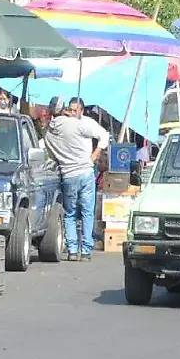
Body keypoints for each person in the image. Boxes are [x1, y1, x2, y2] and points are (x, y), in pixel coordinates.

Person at [43, 97, 108, 261]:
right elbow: (103, 136)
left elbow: (52, 156)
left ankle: (73, 250)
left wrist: (94, 155)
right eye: (69, 109)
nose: (71, 113)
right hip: (85, 172)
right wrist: (91, 158)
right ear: (64, 109)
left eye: (74, 110)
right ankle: (85, 250)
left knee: (70, 213)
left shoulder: (48, 133)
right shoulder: (75, 124)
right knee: (86, 212)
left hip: (69, 175)